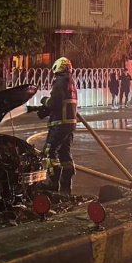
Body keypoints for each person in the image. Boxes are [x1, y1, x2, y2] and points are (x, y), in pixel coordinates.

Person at [37, 57, 77, 195]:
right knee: (64, 154)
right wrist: (46, 111)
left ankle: (52, 184)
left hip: (59, 124)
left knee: (49, 152)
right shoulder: (70, 82)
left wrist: (44, 101)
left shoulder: (60, 81)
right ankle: (66, 186)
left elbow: (55, 102)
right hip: (69, 125)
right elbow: (61, 103)